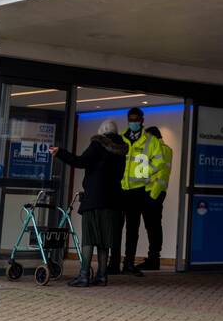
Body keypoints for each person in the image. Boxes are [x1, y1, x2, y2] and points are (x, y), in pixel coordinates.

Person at [49, 119, 125, 287]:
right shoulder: (122, 150)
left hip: (94, 200)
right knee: (105, 241)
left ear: (102, 131)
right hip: (112, 201)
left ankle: (84, 275)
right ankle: (102, 276)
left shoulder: (98, 145)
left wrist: (60, 152)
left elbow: (80, 162)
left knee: (89, 239)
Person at [108, 107, 168, 277]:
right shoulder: (120, 140)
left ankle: (128, 263)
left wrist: (144, 173)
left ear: (142, 120)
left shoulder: (151, 141)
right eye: (130, 119)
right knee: (116, 228)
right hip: (120, 190)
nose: (133, 122)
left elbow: (160, 162)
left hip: (137, 191)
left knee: (132, 230)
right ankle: (113, 263)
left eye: (136, 119)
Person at [138, 126, 172, 271]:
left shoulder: (159, 149)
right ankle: (153, 258)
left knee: (153, 227)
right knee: (154, 226)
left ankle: (153, 260)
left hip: (153, 192)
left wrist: (151, 195)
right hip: (157, 192)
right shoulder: (167, 149)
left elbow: (158, 174)